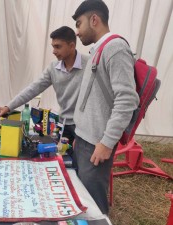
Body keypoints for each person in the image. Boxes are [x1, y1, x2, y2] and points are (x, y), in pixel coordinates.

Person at [72, 0, 139, 214]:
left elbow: (127, 100)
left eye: (79, 24)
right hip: (86, 140)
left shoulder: (115, 48)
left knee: (94, 207)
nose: (77, 31)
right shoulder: (99, 49)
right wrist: (80, 134)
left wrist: (107, 142)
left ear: (94, 20)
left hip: (97, 145)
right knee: (84, 200)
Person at [0, 26, 88, 147]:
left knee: (81, 163)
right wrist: (8, 107)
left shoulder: (89, 64)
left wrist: (86, 133)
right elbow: (33, 89)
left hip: (84, 127)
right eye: (53, 46)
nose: (53, 51)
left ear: (72, 46)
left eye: (58, 46)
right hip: (63, 124)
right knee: (63, 160)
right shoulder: (53, 67)